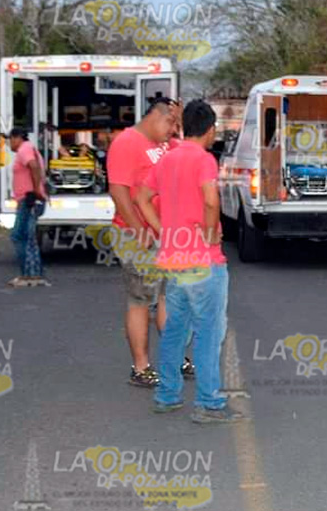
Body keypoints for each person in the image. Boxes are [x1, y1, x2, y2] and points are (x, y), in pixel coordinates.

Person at [135, 101, 242, 423]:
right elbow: (211, 199)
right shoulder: (204, 159)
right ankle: (209, 403)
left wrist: (162, 229)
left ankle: (167, 396)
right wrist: (210, 233)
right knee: (208, 332)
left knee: (174, 331)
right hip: (203, 261)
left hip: (174, 259)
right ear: (210, 130)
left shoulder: (167, 159)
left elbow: (141, 197)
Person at [108, 96, 184, 388]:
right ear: (154, 115)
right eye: (171, 121)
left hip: (163, 234)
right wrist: (139, 229)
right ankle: (141, 367)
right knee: (140, 301)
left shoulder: (165, 144)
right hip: (136, 235)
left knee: (167, 297)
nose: (174, 128)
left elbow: (188, 152)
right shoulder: (128, 142)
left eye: (177, 123)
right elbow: (119, 190)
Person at [7, 128, 49, 287]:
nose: (9, 144)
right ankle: (34, 274)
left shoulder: (24, 149)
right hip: (29, 198)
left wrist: (36, 189)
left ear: (17, 138)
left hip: (28, 199)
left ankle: (28, 274)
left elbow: (34, 166)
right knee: (28, 237)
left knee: (19, 236)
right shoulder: (29, 148)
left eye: (10, 140)